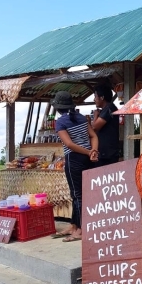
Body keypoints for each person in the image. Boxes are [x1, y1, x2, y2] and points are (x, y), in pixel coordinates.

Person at [52, 91, 98, 242]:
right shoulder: (82, 118)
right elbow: (94, 136)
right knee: (80, 194)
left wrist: (88, 151)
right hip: (87, 159)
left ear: (58, 108)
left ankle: (80, 229)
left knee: (77, 195)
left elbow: (69, 144)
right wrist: (93, 152)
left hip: (74, 159)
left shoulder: (60, 122)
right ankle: (74, 226)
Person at [91, 84, 120, 167]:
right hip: (106, 153)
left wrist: (95, 115)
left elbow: (95, 127)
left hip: (108, 154)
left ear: (102, 97)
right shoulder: (106, 109)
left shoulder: (109, 108)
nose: (94, 99)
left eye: (95, 96)